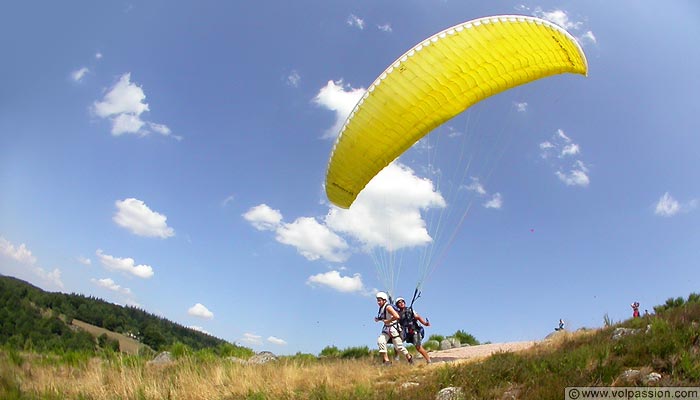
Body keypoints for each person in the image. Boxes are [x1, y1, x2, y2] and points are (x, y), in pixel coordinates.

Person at [375, 292, 413, 365]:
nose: (378, 302)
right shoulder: (382, 308)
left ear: (384, 300)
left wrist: (388, 321)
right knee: (381, 341)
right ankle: (386, 361)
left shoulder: (388, 307)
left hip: (393, 329)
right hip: (386, 329)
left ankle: (409, 357)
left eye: (380, 300)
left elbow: (397, 316)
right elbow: (384, 317)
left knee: (399, 347)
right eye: (378, 300)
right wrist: (379, 319)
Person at [394, 296, 431, 364]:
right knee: (396, 342)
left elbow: (418, 317)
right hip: (406, 332)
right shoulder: (397, 313)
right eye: (399, 303)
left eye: (402, 302)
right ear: (397, 305)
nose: (401, 303)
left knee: (418, 347)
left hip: (414, 331)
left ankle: (429, 361)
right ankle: (397, 358)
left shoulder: (410, 310)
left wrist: (425, 323)